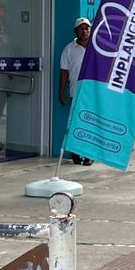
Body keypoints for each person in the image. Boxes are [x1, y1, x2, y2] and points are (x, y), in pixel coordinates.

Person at [57, 18, 94, 166]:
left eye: (87, 28)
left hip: (93, 93)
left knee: (90, 124)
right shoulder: (69, 49)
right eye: (81, 28)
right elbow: (64, 72)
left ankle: (89, 154)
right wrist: (61, 91)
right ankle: (75, 152)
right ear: (75, 31)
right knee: (76, 124)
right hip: (76, 92)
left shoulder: (97, 47)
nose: (84, 30)